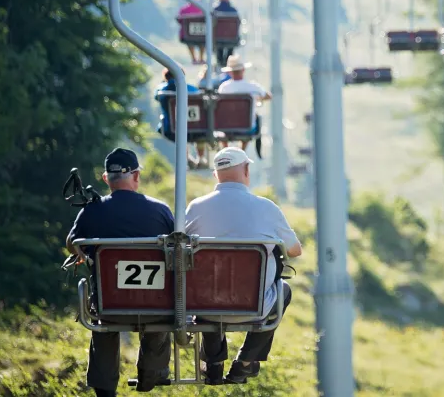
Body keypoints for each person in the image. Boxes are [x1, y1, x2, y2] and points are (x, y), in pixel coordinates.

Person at [184, 147, 302, 385]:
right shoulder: (267, 208)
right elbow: (295, 250)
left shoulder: (195, 207)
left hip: (206, 306)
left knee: (206, 287)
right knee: (283, 292)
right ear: (246, 170)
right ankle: (246, 360)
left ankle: (213, 363)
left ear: (216, 174)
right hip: (254, 305)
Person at [65, 148, 175, 396]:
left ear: (106, 179)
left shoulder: (92, 210)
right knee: (161, 316)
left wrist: (85, 254)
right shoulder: (161, 211)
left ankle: (105, 389)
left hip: (111, 303)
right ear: (136, 176)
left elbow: (73, 243)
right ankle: (152, 373)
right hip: (154, 303)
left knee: (103, 322)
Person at [154, 68, 209, 167]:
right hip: (195, 128)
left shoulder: (162, 91)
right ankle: (200, 158)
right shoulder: (191, 89)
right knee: (200, 132)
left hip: (171, 129)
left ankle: (187, 158)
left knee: (180, 136)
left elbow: (156, 96)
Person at [216, 54, 271, 152]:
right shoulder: (252, 87)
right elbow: (268, 96)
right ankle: (242, 150)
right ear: (243, 70)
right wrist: (257, 98)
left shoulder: (224, 88)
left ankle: (225, 150)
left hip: (226, 127)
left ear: (229, 72)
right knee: (251, 120)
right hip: (247, 127)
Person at [212, 0, 241, 68]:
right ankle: (227, 65)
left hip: (217, 37)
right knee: (229, 52)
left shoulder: (215, 10)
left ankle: (221, 64)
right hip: (231, 37)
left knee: (219, 51)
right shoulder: (233, 10)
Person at [177, 0, 206, 65]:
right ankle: (201, 58)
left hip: (188, 35)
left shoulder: (184, 10)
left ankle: (194, 58)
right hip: (201, 34)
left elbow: (180, 20)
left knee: (189, 39)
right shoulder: (202, 8)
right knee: (202, 40)